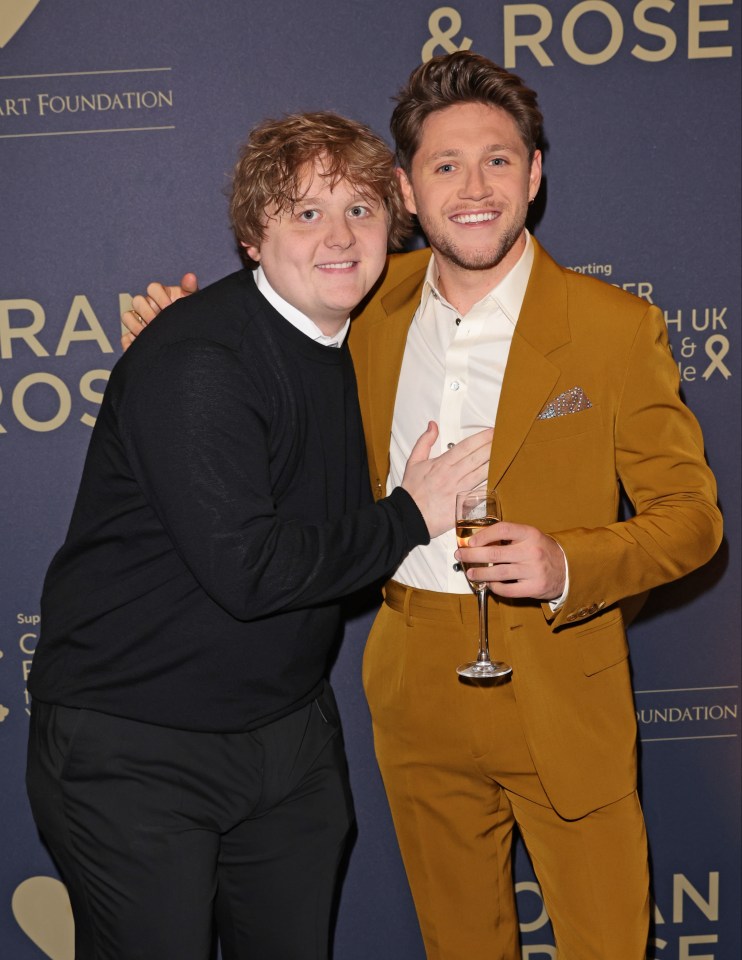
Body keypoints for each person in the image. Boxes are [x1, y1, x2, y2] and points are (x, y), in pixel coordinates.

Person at [122, 54, 723, 960]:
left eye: (497, 160)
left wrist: (570, 563)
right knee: (458, 944)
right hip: (413, 679)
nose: (474, 187)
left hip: (562, 677)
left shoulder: (613, 326)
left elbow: (692, 518)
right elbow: (261, 332)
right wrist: (179, 331)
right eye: (445, 165)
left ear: (535, 173)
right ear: (406, 189)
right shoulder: (367, 302)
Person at [26, 110, 494, 960]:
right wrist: (410, 515)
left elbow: (487, 270)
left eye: (358, 209)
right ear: (252, 235)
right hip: (137, 744)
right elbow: (252, 571)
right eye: (305, 213)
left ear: (394, 217)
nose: (339, 237)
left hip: (285, 736)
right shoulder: (200, 360)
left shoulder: (360, 332)